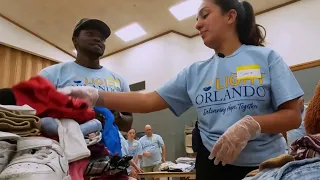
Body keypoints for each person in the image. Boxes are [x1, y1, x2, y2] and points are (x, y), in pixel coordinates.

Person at [57, 0, 304, 179]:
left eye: (204, 15)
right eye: (197, 18)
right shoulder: (195, 72)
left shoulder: (266, 58)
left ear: (230, 16)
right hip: (212, 168)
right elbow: (148, 100)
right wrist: (96, 94)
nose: (197, 25)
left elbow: (293, 116)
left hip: (264, 167)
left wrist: (252, 124)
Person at [39, 18, 133, 179]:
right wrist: (80, 114)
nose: (98, 39)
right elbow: (38, 116)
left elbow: (129, 121)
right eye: (90, 34)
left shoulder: (119, 80)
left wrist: (115, 116)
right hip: (65, 159)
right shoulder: (52, 74)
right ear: (75, 41)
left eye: (102, 38)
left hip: (110, 160)